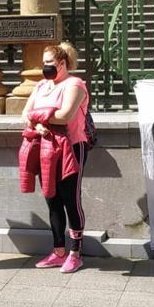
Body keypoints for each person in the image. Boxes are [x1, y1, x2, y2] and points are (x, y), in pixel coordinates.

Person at [20, 42, 90, 274]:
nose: (45, 67)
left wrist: (38, 119)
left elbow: (65, 115)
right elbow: (24, 114)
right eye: (44, 63)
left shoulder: (75, 84)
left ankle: (75, 253)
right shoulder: (41, 85)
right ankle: (58, 251)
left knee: (71, 198)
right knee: (52, 198)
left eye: (49, 63)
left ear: (62, 63)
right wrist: (38, 123)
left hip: (71, 147)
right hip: (45, 148)